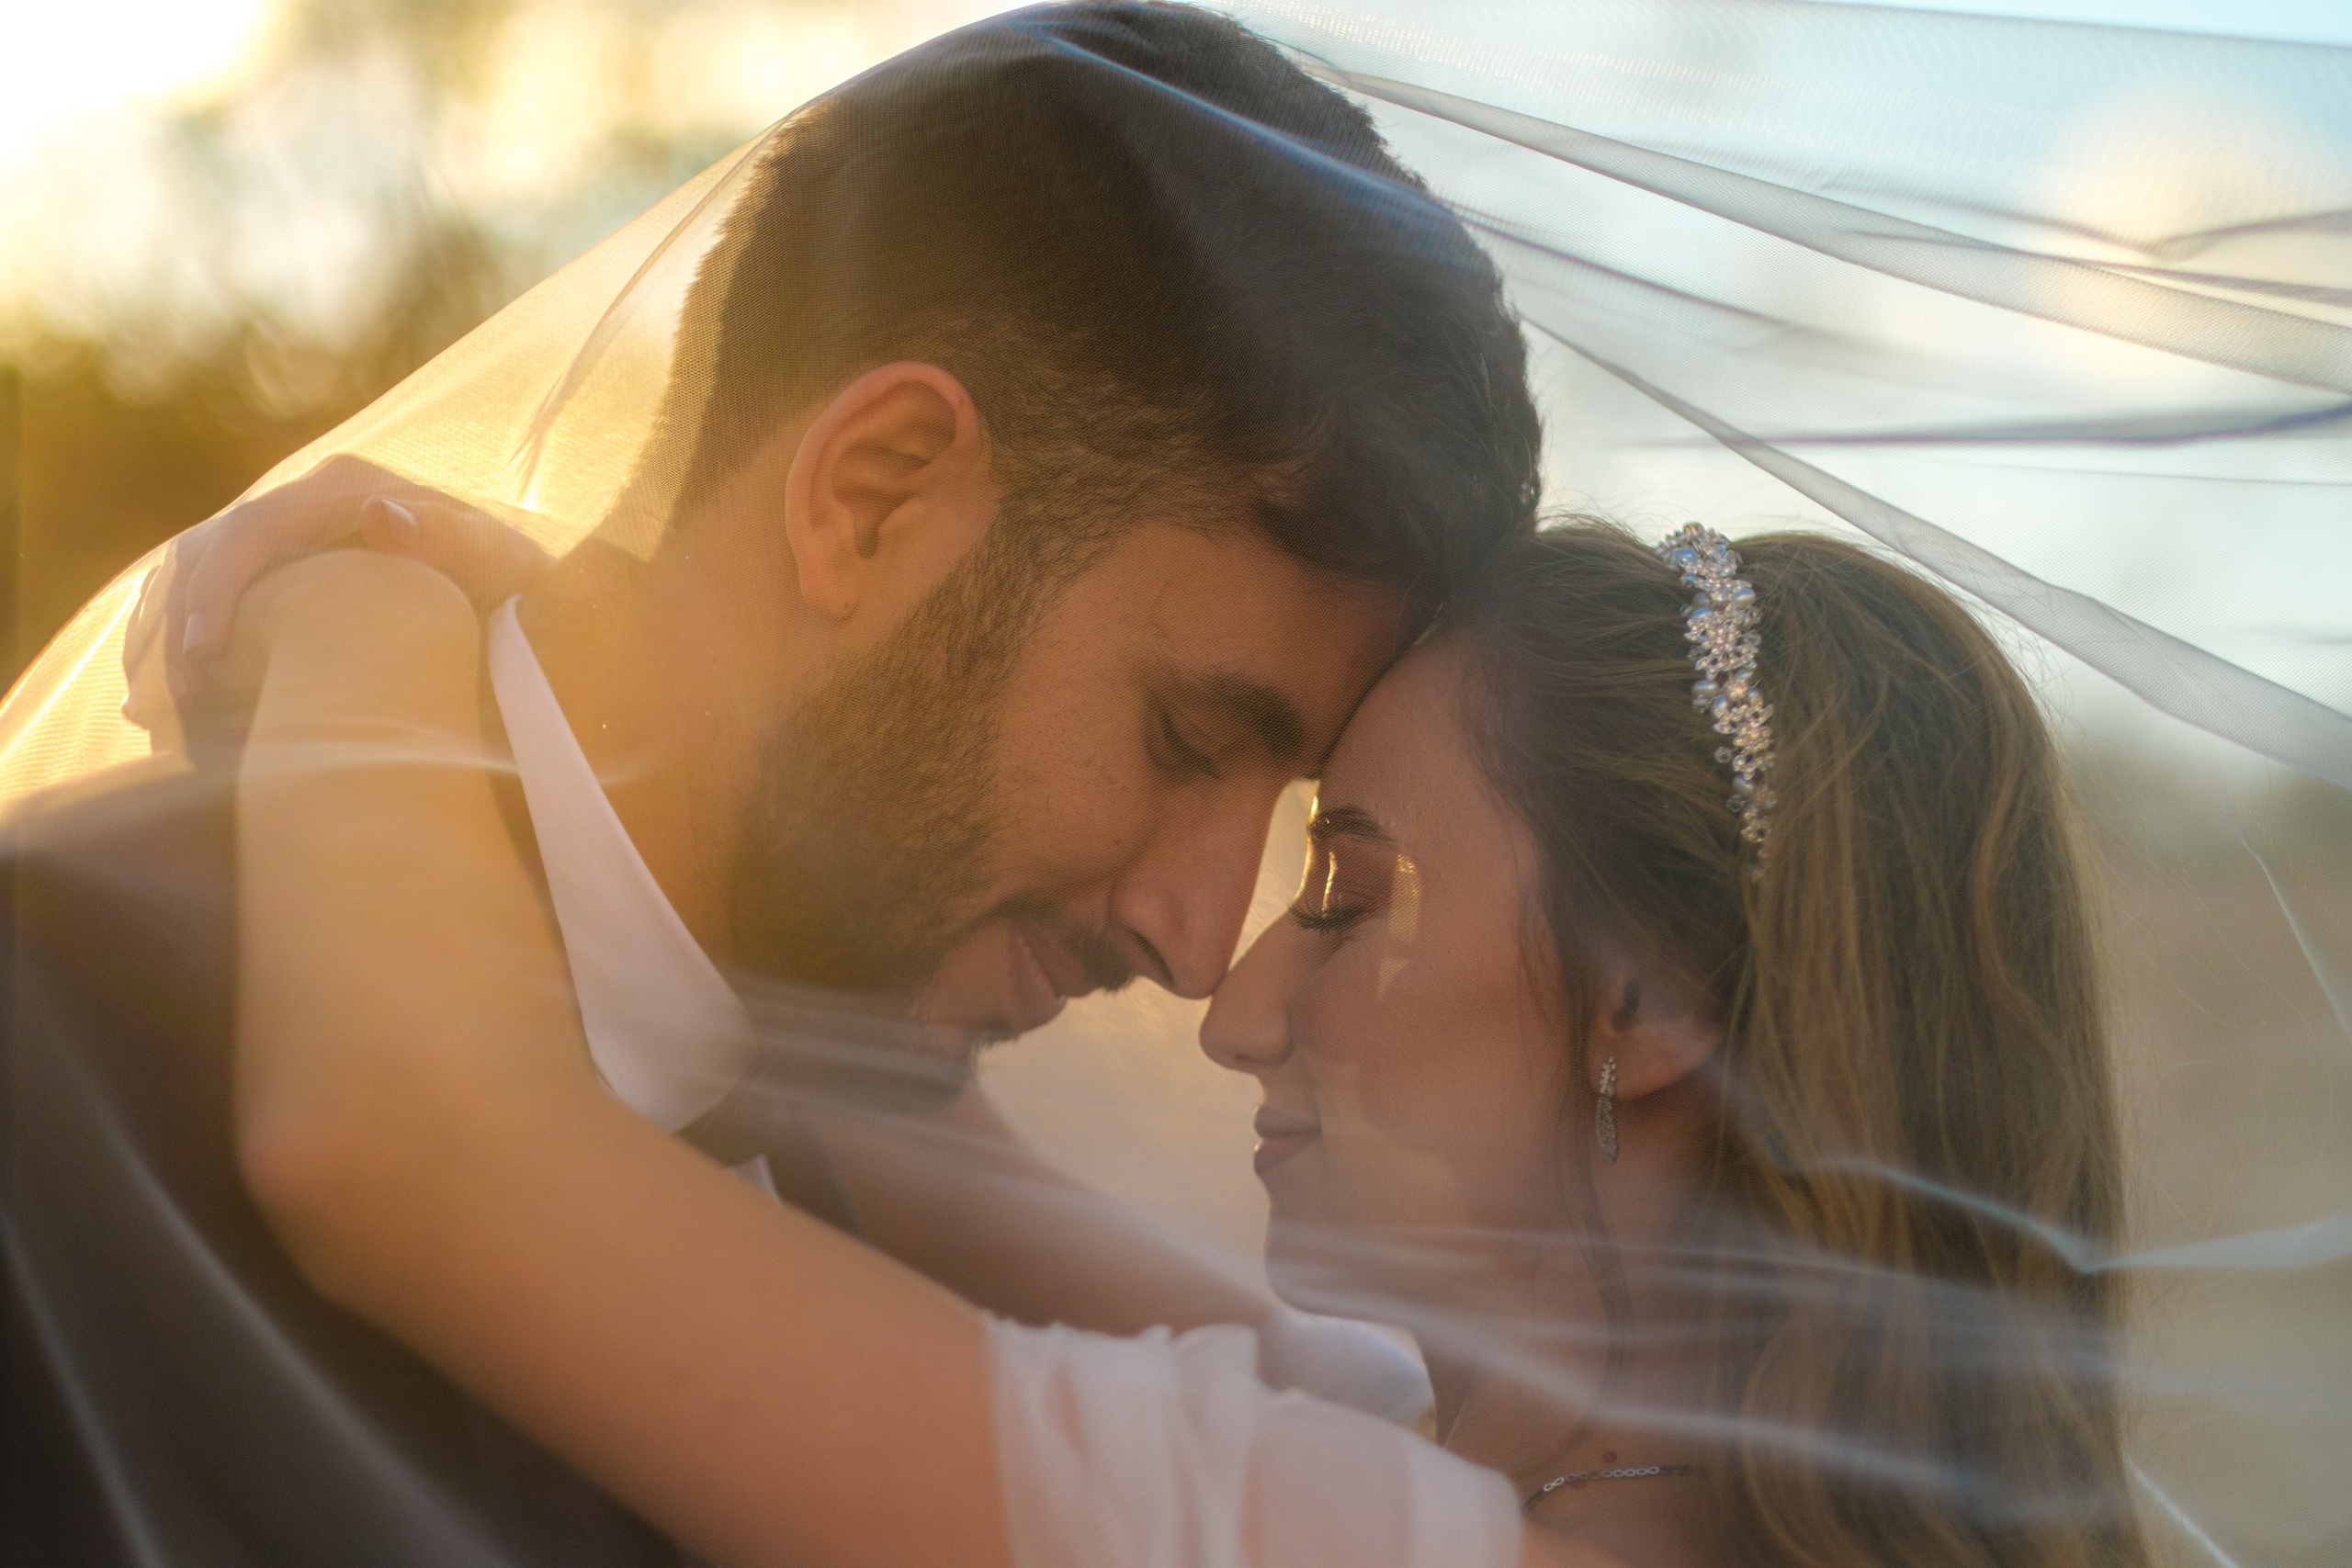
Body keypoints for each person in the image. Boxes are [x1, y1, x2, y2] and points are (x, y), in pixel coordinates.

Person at [0, 6, 1540, 1562]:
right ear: (872, 500)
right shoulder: (54, 1009)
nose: (1200, 949)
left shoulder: (927, 1250)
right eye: (1187, 744)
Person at [222, 515, 2146, 1568]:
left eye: (1348, 892)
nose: (1233, 1010)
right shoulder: (1428, 1445)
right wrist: (627, 649)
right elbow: (888, 1100)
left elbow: (404, 1141)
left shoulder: (1335, 1529)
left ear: (1644, 1001)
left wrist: (359, 609)